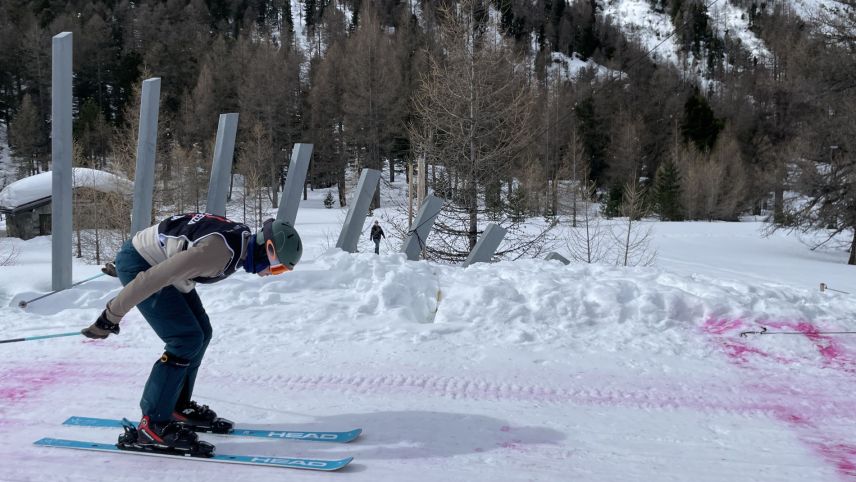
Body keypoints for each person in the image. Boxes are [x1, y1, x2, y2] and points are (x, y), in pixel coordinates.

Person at [81, 213, 302, 454]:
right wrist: (111, 315)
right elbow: (156, 276)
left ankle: (177, 406)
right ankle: (152, 425)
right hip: (146, 267)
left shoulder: (239, 242)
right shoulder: (217, 254)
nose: (272, 273)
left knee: (202, 333)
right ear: (267, 250)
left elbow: (181, 239)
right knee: (184, 339)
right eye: (277, 267)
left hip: (152, 261)